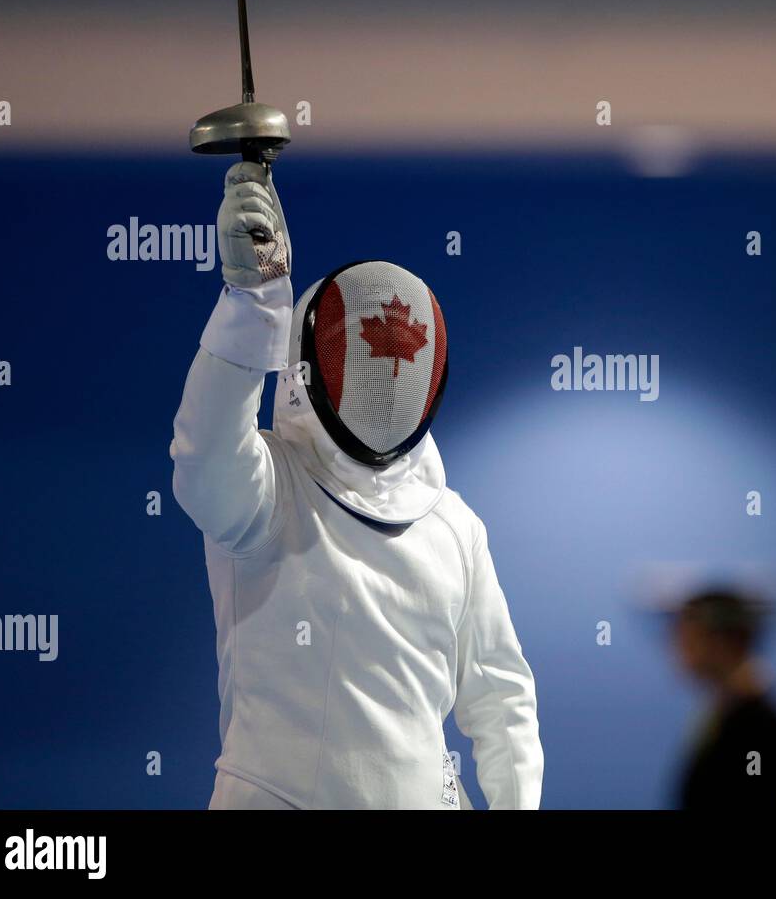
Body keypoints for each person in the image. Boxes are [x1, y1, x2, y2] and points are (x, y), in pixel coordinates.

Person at [171, 161, 543, 809]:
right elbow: (204, 455)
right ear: (307, 367)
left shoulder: (454, 527)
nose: (386, 382)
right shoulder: (268, 493)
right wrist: (251, 304)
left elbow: (502, 699)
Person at [672, 589, 776, 808]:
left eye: (687, 636)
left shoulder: (761, 729)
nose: (677, 649)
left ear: (722, 641)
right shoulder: (723, 716)